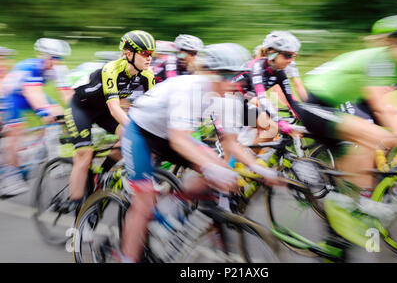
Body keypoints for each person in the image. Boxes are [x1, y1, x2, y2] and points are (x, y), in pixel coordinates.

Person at [119, 42, 283, 263]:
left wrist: (259, 169)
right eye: (224, 75)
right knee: (144, 201)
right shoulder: (189, 89)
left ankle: (173, 207)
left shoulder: (229, 98)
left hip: (171, 134)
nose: (230, 82)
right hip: (142, 132)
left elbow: (232, 144)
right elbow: (179, 139)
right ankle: (127, 257)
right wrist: (210, 168)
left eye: (235, 76)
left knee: (221, 168)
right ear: (209, 72)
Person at [299, 22, 397, 193]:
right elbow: (380, 107)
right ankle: (351, 196)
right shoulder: (380, 61)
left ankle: (367, 180)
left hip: (347, 100)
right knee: (378, 137)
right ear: (394, 44)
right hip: (320, 103)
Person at [60, 30, 156, 213]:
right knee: (85, 154)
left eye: (151, 53)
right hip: (81, 108)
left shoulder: (147, 75)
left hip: (103, 110)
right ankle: (75, 199)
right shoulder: (111, 69)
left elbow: (151, 107)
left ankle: (102, 175)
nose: (149, 57)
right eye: (144, 53)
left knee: (126, 141)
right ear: (129, 54)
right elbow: (115, 108)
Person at [0, 39, 70, 196]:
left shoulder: (58, 69)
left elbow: (66, 93)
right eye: (53, 57)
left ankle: (51, 156)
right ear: (43, 55)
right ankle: (9, 178)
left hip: (31, 94)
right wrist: (46, 111)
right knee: (16, 131)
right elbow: (33, 94)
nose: (56, 62)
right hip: (12, 97)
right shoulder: (31, 66)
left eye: (59, 58)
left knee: (59, 115)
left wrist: (74, 111)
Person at [232, 31, 304, 145]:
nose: (291, 60)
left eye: (294, 56)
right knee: (272, 128)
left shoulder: (280, 73)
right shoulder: (257, 67)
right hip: (230, 102)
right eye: (287, 55)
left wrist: (307, 117)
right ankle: (236, 154)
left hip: (246, 102)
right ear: (272, 53)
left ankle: (247, 154)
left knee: (270, 132)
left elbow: (291, 100)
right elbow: (261, 97)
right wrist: (279, 121)